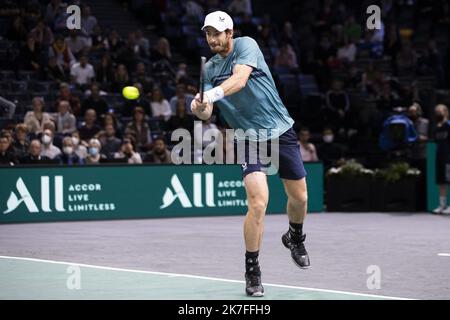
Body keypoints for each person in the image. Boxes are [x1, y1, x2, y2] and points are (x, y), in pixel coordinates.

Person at [190, 11, 309, 297]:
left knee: (300, 197)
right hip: (246, 136)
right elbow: (207, 112)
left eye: (217, 33)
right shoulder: (208, 71)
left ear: (230, 33)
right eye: (208, 33)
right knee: (258, 203)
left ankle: (294, 236)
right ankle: (252, 270)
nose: (212, 38)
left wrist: (213, 95)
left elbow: (240, 80)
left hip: (279, 129)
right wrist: (199, 106)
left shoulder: (246, 46)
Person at [432, 104, 450, 215]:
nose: (438, 113)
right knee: (441, 182)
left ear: (446, 112)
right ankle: (442, 206)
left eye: (440, 111)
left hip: (449, 157)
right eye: (436, 111)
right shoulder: (436, 128)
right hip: (439, 157)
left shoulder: (449, 125)